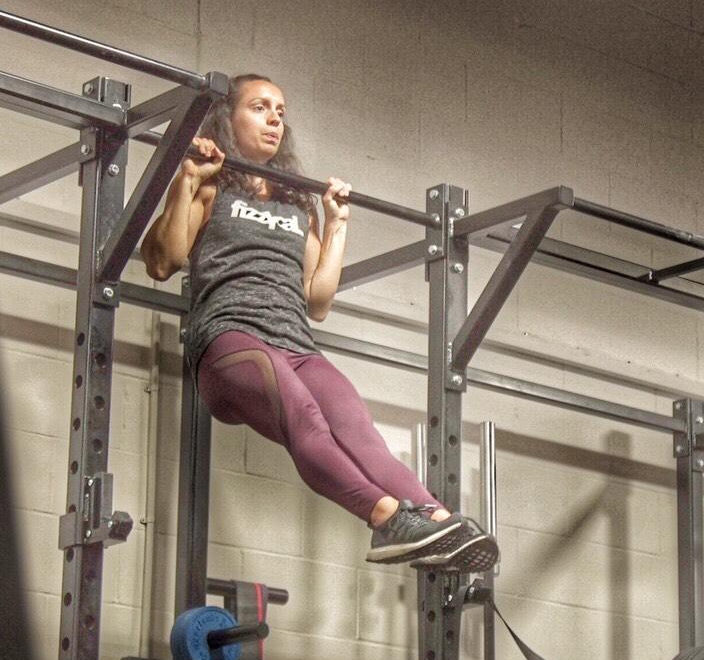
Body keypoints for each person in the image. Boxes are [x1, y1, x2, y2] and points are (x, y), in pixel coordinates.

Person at [141, 74, 497, 572]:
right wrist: (186, 179)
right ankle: (387, 518)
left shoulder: (294, 200)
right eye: (260, 107)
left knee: (355, 423)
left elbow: (319, 300)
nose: (273, 120)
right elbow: (163, 262)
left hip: (294, 342)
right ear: (227, 119)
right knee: (304, 414)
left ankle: (436, 521)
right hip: (229, 341)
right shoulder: (210, 182)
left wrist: (337, 224)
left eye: (280, 112)